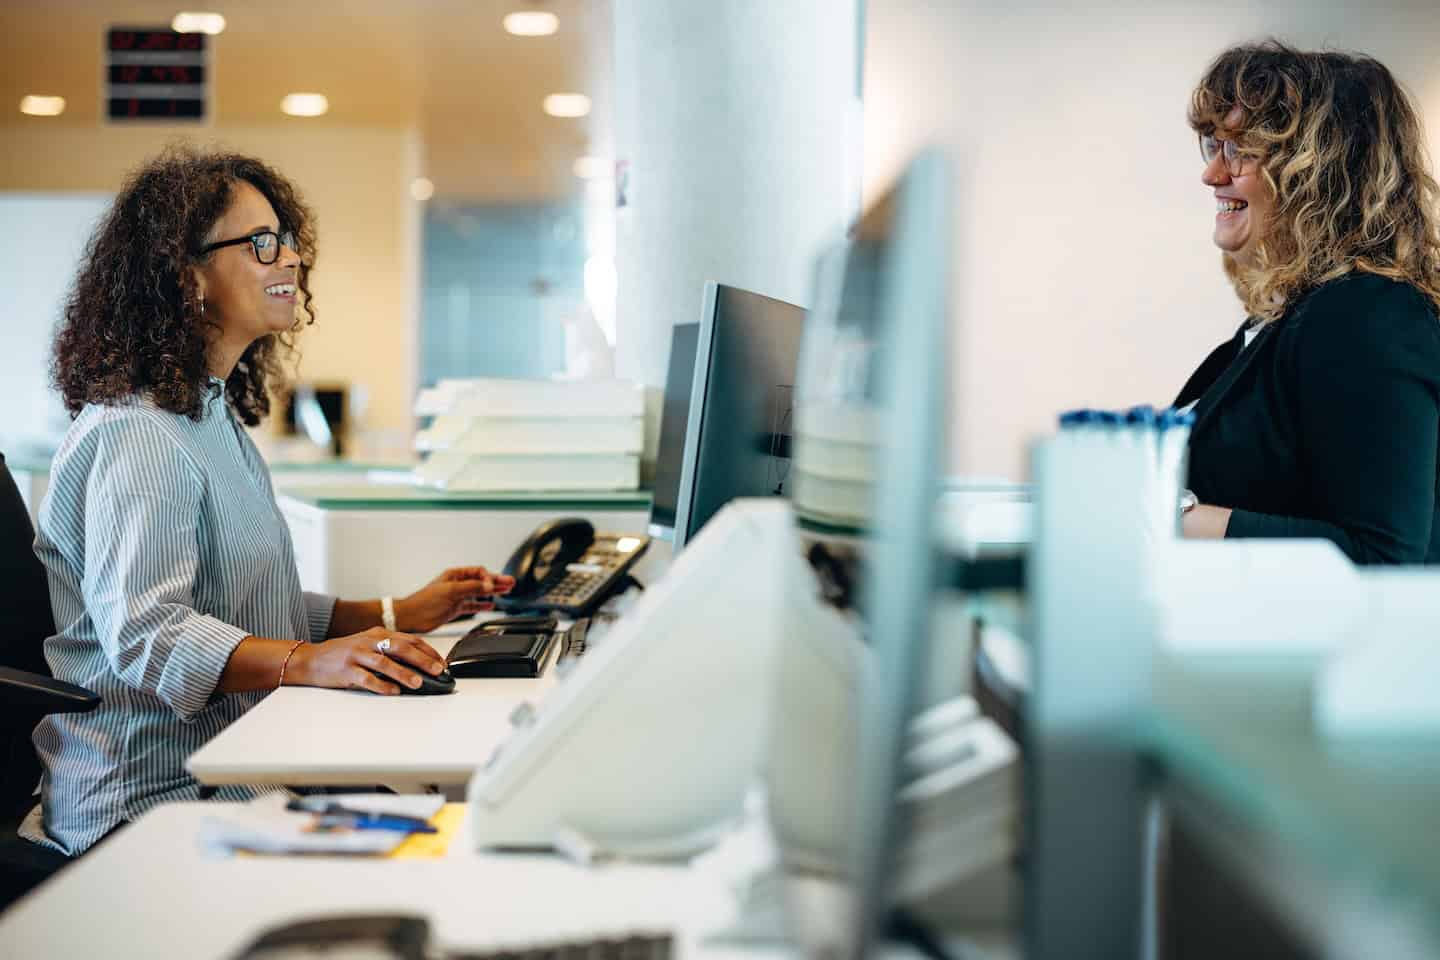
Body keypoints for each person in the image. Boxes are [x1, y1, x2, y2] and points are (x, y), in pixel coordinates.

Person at [27, 146, 515, 855]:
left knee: (439, 828)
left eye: (288, 241)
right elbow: (147, 636)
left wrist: (394, 614)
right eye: (261, 244)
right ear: (186, 273)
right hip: (153, 795)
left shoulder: (206, 415)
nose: (289, 260)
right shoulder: (138, 434)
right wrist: (307, 661)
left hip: (240, 764)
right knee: (436, 844)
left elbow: (247, 601)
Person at [1176, 41, 1440, 564]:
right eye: (1215, 146)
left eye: (1241, 150)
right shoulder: (1287, 318)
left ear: (1316, 172)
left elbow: (1381, 556)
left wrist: (1173, 518)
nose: (1213, 175)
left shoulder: (1369, 315)